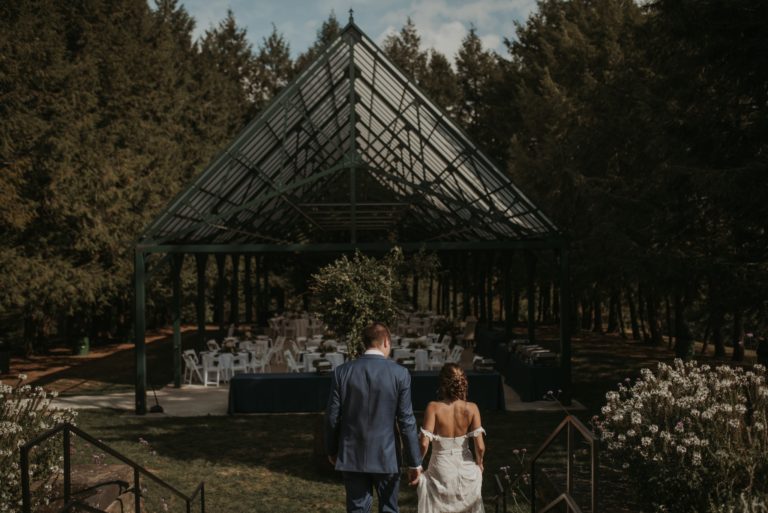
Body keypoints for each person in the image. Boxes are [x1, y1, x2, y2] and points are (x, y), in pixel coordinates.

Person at [325, 322, 422, 513]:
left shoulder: (342, 372)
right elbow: (406, 421)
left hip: (352, 454)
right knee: (389, 509)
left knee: (357, 509)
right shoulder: (400, 374)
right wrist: (414, 462)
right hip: (387, 456)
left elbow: (332, 417)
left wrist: (331, 449)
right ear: (386, 341)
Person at [417, 363, 486, 513]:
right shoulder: (472, 408)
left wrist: (418, 465)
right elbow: (480, 446)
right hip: (465, 468)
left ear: (442, 383)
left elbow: (423, 444)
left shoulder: (433, 407)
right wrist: (479, 464)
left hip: (441, 467)